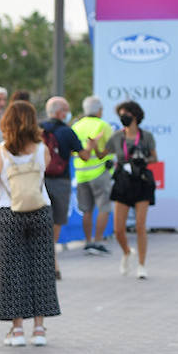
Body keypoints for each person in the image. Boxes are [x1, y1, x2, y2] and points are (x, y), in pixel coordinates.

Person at [0, 100, 60, 346]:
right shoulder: (42, 149)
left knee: (12, 270)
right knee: (41, 267)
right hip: (40, 210)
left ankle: (17, 330)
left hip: (9, 213)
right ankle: (39, 329)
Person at [106, 100, 159, 279]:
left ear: (135, 115)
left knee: (140, 225)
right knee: (119, 229)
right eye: (121, 115)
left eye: (126, 114)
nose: (123, 118)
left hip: (141, 182)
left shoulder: (146, 137)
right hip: (123, 182)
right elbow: (102, 153)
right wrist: (93, 147)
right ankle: (127, 251)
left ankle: (142, 265)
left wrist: (142, 159)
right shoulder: (116, 137)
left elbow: (154, 158)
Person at [39, 97, 85, 276]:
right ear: (60, 112)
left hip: (40, 180)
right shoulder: (67, 131)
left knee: (42, 221)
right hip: (60, 180)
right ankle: (52, 261)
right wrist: (92, 146)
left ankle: (48, 261)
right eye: (66, 110)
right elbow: (85, 156)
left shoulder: (38, 129)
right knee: (56, 221)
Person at [72, 95, 115, 255]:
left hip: (81, 174)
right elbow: (110, 148)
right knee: (104, 208)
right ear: (99, 111)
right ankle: (97, 241)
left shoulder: (76, 126)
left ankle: (88, 242)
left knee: (86, 210)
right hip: (99, 172)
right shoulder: (103, 125)